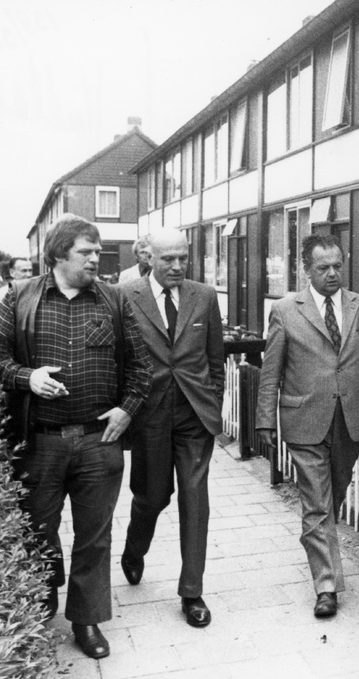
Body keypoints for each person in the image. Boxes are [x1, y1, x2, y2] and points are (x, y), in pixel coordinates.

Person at [0, 214, 151, 660]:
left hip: (99, 441)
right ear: (59, 255)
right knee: (39, 528)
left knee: (94, 536)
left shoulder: (113, 299)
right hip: (40, 442)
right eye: (86, 252)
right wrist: (28, 377)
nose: (96, 258)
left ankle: (86, 620)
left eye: (98, 251)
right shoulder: (21, 296)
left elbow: (141, 368)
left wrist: (126, 410)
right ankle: (43, 595)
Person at [256, 233, 359, 619]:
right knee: (317, 503)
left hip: (349, 420)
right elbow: (271, 371)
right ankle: (326, 586)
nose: (332, 274)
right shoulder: (286, 310)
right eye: (323, 267)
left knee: (331, 498)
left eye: (338, 266)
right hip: (303, 419)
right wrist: (264, 421)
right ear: (306, 269)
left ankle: (319, 539)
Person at [118, 228, 225, 628]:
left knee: (195, 500)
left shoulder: (204, 296)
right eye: (168, 259)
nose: (178, 266)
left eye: (183, 257)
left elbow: (216, 359)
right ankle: (134, 548)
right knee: (152, 496)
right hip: (149, 414)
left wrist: (213, 402)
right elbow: (120, 360)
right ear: (148, 257)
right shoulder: (125, 295)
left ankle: (192, 592)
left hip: (194, 415)